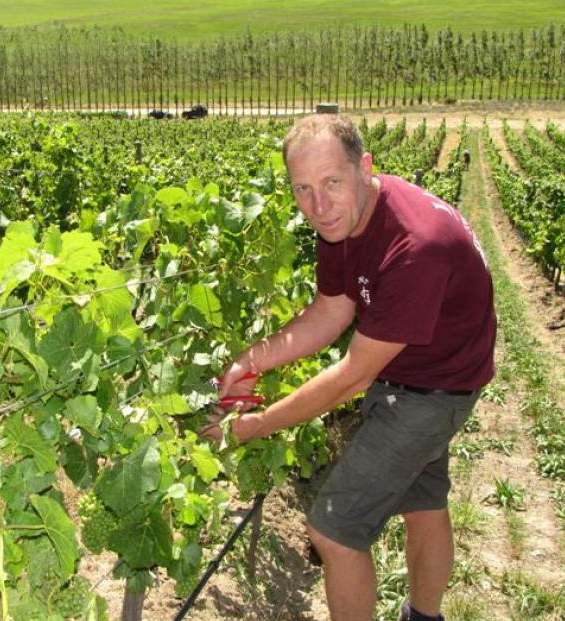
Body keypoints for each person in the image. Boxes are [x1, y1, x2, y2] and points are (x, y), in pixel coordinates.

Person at [203, 114, 495, 621]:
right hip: (425, 365)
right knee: (424, 502)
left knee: (334, 531)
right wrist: (249, 361)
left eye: (331, 182)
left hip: (435, 388)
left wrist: (255, 425)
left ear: (365, 167)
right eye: (303, 188)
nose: (318, 205)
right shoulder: (344, 221)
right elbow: (332, 310)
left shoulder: (415, 248)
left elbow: (353, 378)